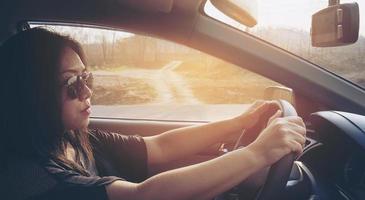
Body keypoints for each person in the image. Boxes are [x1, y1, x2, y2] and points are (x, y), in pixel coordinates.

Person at [0, 28, 306, 200]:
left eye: (86, 78)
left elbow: (158, 147)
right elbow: (145, 196)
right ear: (31, 94)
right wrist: (256, 154)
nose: (87, 92)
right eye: (71, 83)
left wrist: (237, 123)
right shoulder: (38, 183)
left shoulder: (74, 139)